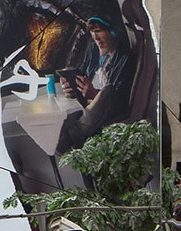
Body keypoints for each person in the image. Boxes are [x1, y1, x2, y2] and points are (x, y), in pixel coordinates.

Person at [54, 17, 137, 155]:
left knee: (107, 91)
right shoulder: (92, 49)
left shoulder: (126, 58)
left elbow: (120, 101)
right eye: (92, 32)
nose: (96, 38)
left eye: (98, 31)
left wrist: (95, 94)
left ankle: (74, 135)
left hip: (106, 110)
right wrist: (72, 87)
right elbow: (82, 75)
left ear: (113, 32)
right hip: (85, 106)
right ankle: (66, 133)